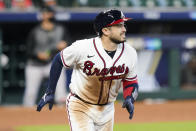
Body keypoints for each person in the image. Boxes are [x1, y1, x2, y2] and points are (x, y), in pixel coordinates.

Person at [37, 9, 139, 131]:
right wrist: (50, 91)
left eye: (123, 25)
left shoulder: (130, 53)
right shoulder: (83, 47)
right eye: (119, 26)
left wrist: (129, 98)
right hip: (81, 105)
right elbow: (59, 59)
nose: (124, 29)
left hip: (107, 109)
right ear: (105, 30)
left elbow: (131, 81)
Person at [23, 6, 70, 107]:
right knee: (30, 93)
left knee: (59, 73)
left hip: (51, 63)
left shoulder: (61, 29)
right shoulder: (35, 31)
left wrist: (64, 45)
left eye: (48, 13)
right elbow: (28, 50)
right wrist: (37, 55)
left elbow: (68, 44)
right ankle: (26, 112)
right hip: (34, 65)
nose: (46, 16)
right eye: (44, 14)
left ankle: (60, 103)